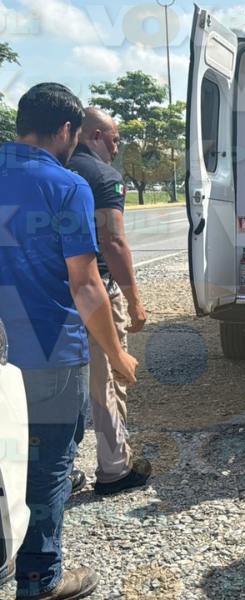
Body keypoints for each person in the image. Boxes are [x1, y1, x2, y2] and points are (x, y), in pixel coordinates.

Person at [0, 83, 139, 600]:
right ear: (65, 131)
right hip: (50, 354)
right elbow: (85, 284)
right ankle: (40, 580)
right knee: (48, 465)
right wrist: (117, 353)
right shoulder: (66, 186)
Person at [66, 107, 151, 497]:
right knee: (109, 378)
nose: (117, 148)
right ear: (96, 135)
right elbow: (113, 242)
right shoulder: (103, 176)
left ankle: (61, 470)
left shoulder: (60, 169)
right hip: (96, 290)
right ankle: (114, 469)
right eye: (115, 139)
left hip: (55, 293)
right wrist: (134, 300)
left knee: (60, 383)